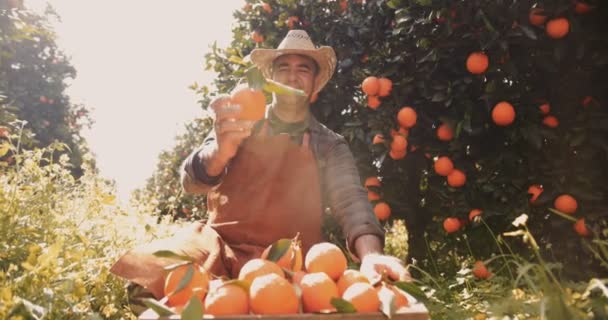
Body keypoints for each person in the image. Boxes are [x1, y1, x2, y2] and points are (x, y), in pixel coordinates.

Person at [110, 30, 407, 309]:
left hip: (289, 258)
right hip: (219, 247)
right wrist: (220, 151)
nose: (292, 75)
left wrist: (371, 256)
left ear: (315, 83)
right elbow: (190, 182)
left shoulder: (329, 145)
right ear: (269, 77)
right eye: (283, 68)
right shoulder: (240, 122)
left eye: (303, 69)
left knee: (297, 305)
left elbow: (351, 201)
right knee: (147, 280)